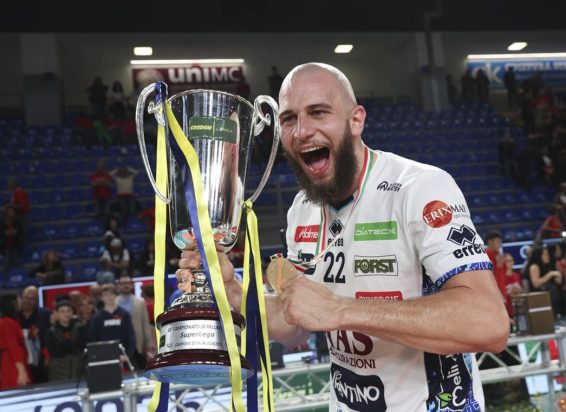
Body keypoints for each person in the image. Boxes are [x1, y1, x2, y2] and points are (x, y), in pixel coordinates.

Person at [177, 63, 509, 411]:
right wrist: (233, 292)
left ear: (356, 120)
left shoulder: (419, 188)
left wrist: (340, 309)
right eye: (288, 119)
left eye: (318, 112)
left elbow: (488, 323)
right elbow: (295, 325)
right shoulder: (302, 209)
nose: (302, 131)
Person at [88, 284, 136, 364]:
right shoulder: (97, 318)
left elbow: (131, 336)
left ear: (116, 296)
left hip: (124, 356)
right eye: (106, 295)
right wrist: (99, 356)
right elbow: (93, 340)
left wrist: (127, 355)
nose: (109, 297)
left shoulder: (124, 314)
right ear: (101, 298)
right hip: (104, 358)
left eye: (111, 294)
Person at [44, 298, 86, 381]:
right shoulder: (50, 332)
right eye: (62, 311)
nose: (66, 314)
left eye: (68, 311)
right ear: (56, 313)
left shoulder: (80, 328)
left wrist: (64, 345)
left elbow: (82, 346)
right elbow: (55, 351)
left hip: (78, 369)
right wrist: (72, 346)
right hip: (58, 371)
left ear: (72, 312)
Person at [116, 275, 154, 369]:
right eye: (123, 283)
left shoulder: (140, 302)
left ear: (132, 285)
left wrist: (148, 346)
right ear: (118, 286)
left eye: (128, 283)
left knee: (140, 371)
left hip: (138, 344)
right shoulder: (114, 302)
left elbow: (145, 325)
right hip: (119, 342)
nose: (126, 286)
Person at [17, 286, 51, 384]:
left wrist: (47, 356)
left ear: (37, 300)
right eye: (25, 298)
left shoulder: (45, 314)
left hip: (41, 361)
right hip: (20, 360)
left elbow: (49, 337)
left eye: (31, 299)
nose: (27, 301)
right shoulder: (13, 315)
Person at [0, 293, 31, 388]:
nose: (21, 302)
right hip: (12, 364)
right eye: (19, 299)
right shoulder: (7, 323)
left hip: (14, 362)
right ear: (13, 303)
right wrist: (21, 371)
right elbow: (14, 347)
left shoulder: (11, 321)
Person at [0, 205, 24, 275]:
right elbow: (1, 232)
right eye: (9, 211)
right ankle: (5, 279)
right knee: (6, 264)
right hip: (6, 245)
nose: (11, 213)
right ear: (6, 212)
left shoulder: (17, 221)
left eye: (12, 211)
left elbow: (21, 232)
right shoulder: (2, 222)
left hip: (16, 244)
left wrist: (16, 232)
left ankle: (20, 277)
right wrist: (5, 233)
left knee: (17, 263)